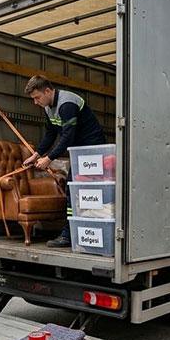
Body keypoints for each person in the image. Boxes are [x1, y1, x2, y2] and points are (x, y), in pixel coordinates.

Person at [22, 75, 106, 248]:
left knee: (84, 191)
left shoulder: (67, 104)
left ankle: (76, 234)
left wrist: (49, 158)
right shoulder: (48, 108)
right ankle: (73, 233)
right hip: (78, 152)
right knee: (72, 190)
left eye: (37, 98)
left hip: (92, 148)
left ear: (47, 91)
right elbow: (51, 134)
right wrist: (36, 155)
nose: (35, 102)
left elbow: (68, 136)